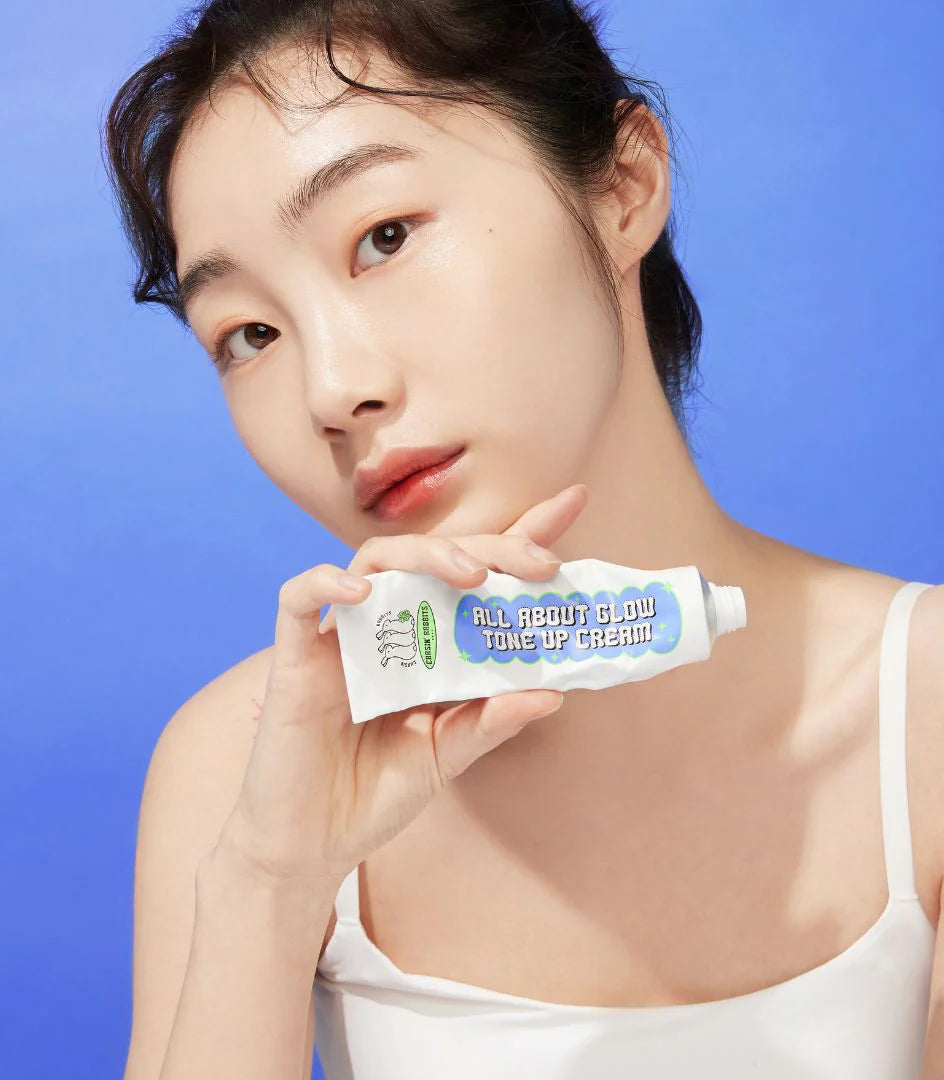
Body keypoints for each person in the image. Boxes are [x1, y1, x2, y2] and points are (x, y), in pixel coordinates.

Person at [101, 2, 944, 1077]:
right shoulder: (246, 764)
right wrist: (271, 881)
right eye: (250, 334)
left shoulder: (926, 717)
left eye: (385, 237)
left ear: (624, 185)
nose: (334, 389)